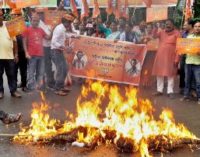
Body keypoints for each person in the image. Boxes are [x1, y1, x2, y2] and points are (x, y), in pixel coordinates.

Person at [152, 19, 180, 98]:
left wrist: (177, 59)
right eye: (166, 24)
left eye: (169, 24)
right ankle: (159, 90)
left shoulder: (177, 33)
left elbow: (179, 48)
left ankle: (170, 91)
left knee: (170, 74)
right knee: (159, 74)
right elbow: (154, 36)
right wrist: (155, 27)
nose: (167, 25)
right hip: (160, 57)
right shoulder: (161, 32)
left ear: (173, 25)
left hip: (171, 58)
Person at [23, 13, 51, 92]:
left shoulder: (41, 30)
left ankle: (39, 86)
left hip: (41, 55)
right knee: (31, 71)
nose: (35, 22)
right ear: (31, 21)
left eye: (37, 21)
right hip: (31, 55)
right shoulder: (27, 30)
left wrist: (52, 31)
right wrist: (26, 52)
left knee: (41, 72)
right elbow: (24, 42)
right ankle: (30, 87)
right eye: (34, 21)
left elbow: (48, 38)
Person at [51, 15, 74, 96]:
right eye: (69, 22)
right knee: (61, 70)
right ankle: (57, 89)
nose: (70, 24)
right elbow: (54, 41)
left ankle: (61, 86)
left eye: (70, 22)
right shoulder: (60, 29)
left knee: (65, 68)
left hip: (59, 51)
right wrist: (64, 47)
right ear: (65, 21)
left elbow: (65, 36)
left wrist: (73, 36)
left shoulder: (62, 28)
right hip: (55, 51)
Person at [0, 15, 21, 98]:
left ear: (2, 17)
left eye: (0, 16)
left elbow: (15, 42)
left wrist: (16, 54)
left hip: (9, 56)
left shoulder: (9, 26)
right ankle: (0, 91)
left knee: (11, 74)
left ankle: (13, 91)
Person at [180, 19, 200, 105]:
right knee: (186, 80)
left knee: (198, 82)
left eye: (199, 27)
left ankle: (199, 98)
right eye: (196, 26)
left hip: (198, 63)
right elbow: (184, 49)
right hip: (188, 62)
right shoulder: (188, 37)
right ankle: (186, 96)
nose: (197, 28)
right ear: (193, 27)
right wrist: (181, 50)